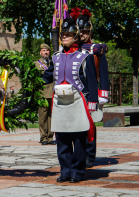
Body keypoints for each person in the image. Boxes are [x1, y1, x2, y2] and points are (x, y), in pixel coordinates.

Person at [42, 11, 98, 183]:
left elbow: (91, 83)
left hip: (78, 102)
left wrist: (93, 104)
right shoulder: (56, 57)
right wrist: (29, 77)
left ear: (75, 37)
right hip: (59, 103)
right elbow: (46, 76)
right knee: (62, 140)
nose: (65, 37)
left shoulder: (84, 57)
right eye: (63, 35)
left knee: (79, 140)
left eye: (68, 35)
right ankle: (65, 170)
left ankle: (78, 172)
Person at [77, 9, 109, 168]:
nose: (82, 34)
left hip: (91, 91)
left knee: (90, 123)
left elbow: (103, 72)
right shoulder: (72, 48)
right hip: (75, 92)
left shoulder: (96, 48)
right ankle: (78, 153)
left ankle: (90, 154)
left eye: (84, 31)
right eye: (79, 31)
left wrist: (103, 93)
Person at [35, 43, 56, 146]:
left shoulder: (54, 63)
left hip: (53, 92)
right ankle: (43, 137)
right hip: (42, 93)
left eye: (47, 51)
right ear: (40, 52)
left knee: (51, 116)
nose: (46, 52)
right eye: (43, 50)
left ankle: (51, 137)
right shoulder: (36, 64)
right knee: (43, 117)